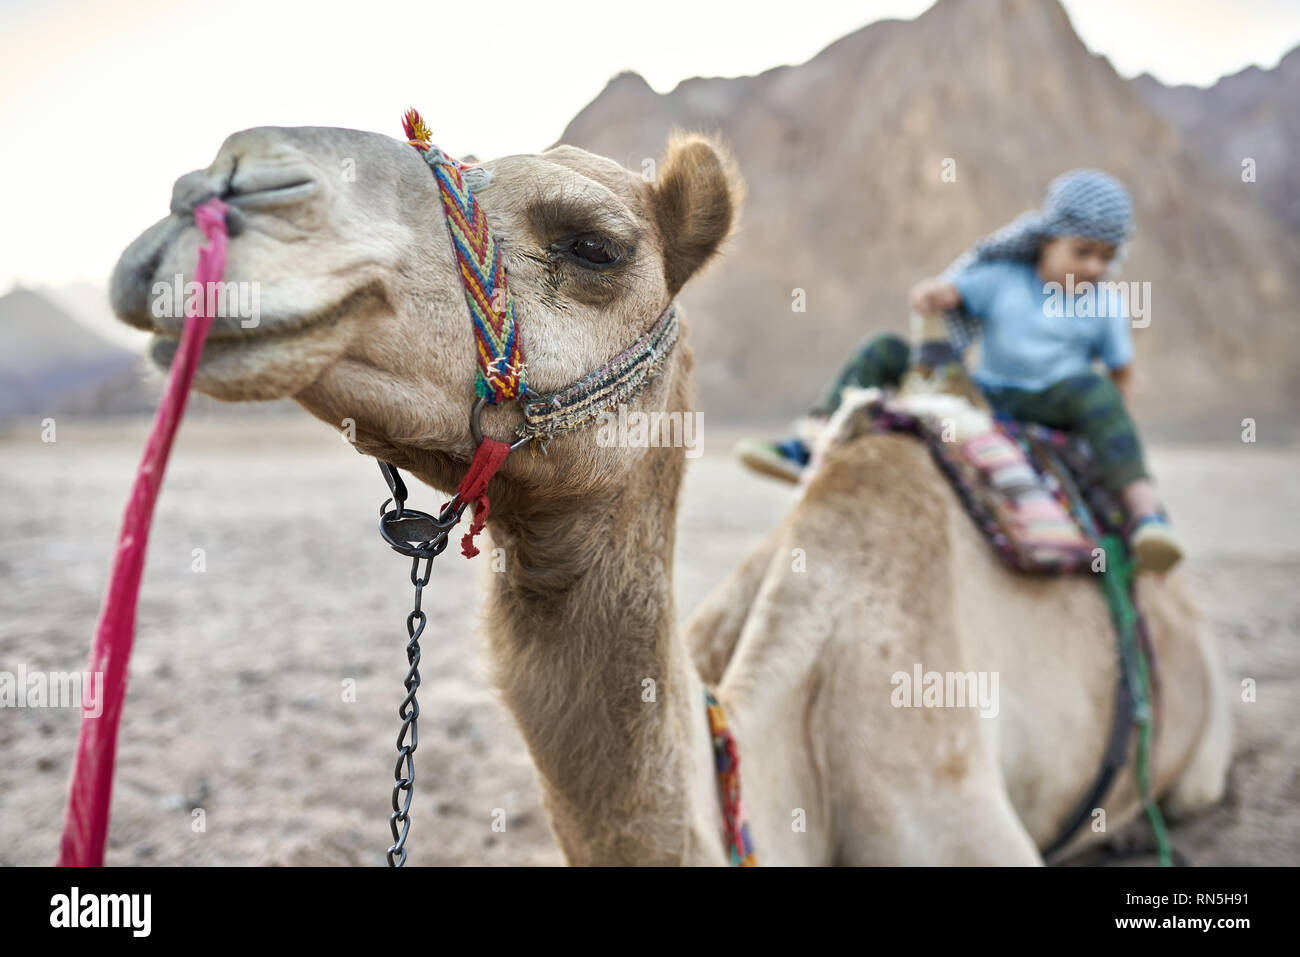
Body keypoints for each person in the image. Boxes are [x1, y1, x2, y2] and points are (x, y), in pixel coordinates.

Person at [735, 169, 1183, 572]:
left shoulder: (1105, 303)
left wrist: (1111, 430)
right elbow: (949, 293)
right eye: (1082, 251)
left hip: (1057, 400)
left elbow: (1121, 371)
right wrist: (935, 295)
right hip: (987, 393)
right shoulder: (1003, 278)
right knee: (885, 349)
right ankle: (807, 446)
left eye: (1106, 257)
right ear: (1047, 240)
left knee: (1094, 389)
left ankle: (1146, 516)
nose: (1093, 268)